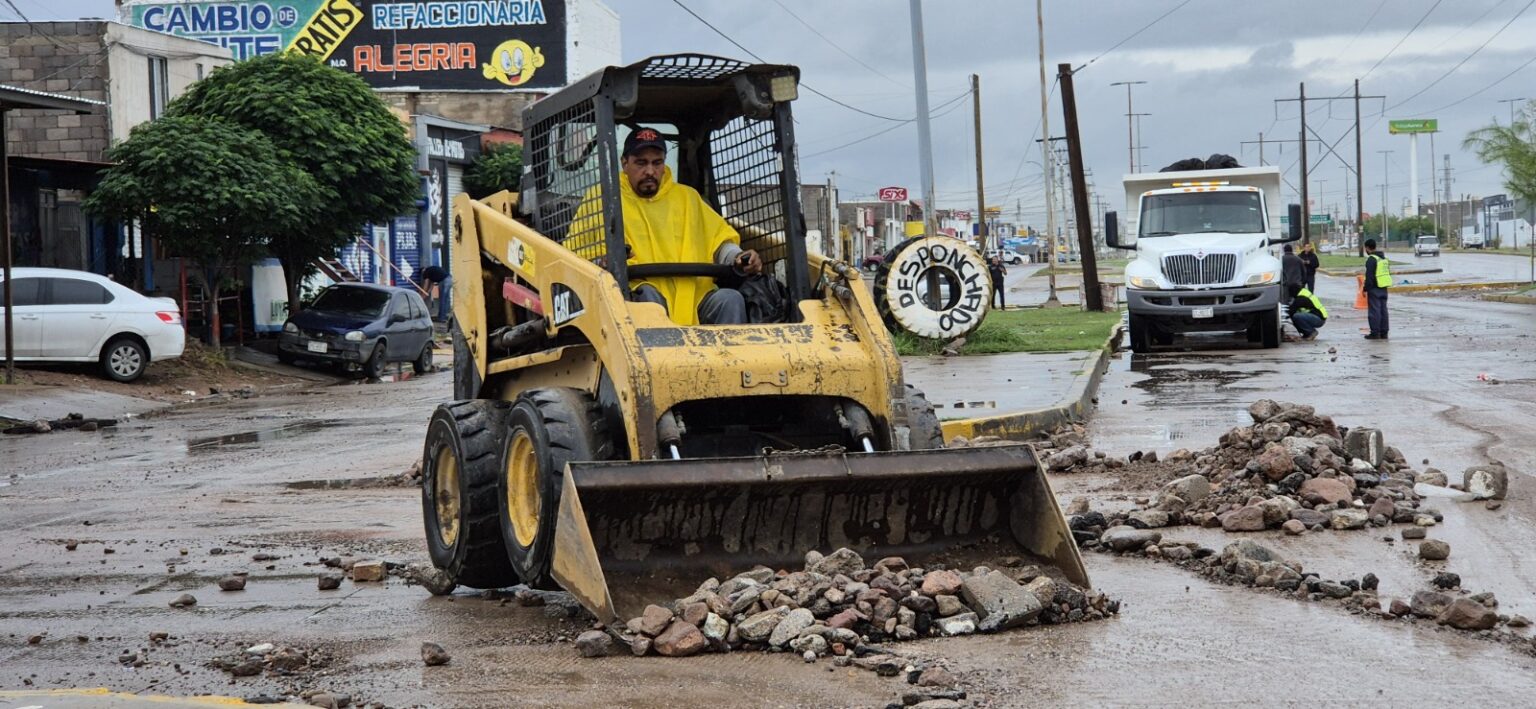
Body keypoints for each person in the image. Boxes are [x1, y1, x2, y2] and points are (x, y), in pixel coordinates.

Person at [610, 128, 761, 325]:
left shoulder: (688, 198)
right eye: (641, 163)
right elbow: (580, 254)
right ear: (625, 163)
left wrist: (738, 257)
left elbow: (717, 241)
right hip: (635, 296)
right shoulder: (606, 200)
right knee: (649, 301)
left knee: (729, 300)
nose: (649, 171)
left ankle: (728, 356)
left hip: (694, 298)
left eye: (657, 163)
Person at [1363, 238, 1391, 340]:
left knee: (1374, 311)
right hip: (1384, 287)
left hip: (1374, 288)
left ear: (1367, 248)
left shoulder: (1371, 259)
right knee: (1383, 310)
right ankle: (1384, 332)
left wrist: (1365, 289)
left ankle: (1375, 333)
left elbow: (1369, 276)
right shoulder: (1383, 258)